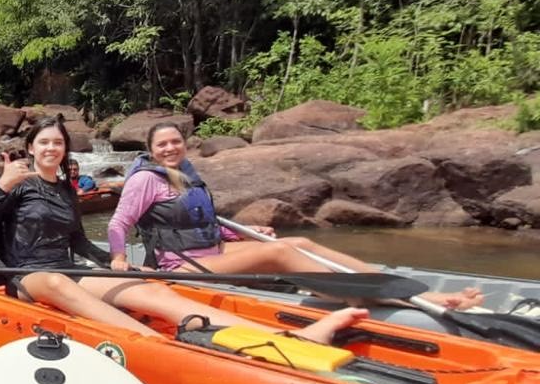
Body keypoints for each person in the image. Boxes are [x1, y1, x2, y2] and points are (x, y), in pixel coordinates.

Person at [0, 116, 366, 343]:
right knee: (58, 285)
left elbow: (77, 240)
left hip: (67, 267)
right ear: (30, 148)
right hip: (28, 275)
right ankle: (154, 346)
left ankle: (287, 339)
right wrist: (0, 187)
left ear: (64, 149)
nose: (51, 149)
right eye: (43, 142)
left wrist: (115, 263)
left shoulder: (64, 189)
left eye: (57, 143)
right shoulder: (18, 183)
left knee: (149, 289)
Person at [107, 121, 485, 310]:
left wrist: (245, 233)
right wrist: (120, 258)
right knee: (281, 254)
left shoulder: (186, 173)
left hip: (210, 253)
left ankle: (382, 283)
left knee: (298, 241)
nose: (171, 148)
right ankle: (401, 300)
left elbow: (204, 224)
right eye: (163, 144)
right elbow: (118, 223)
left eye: (176, 141)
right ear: (152, 151)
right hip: (177, 266)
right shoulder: (144, 180)